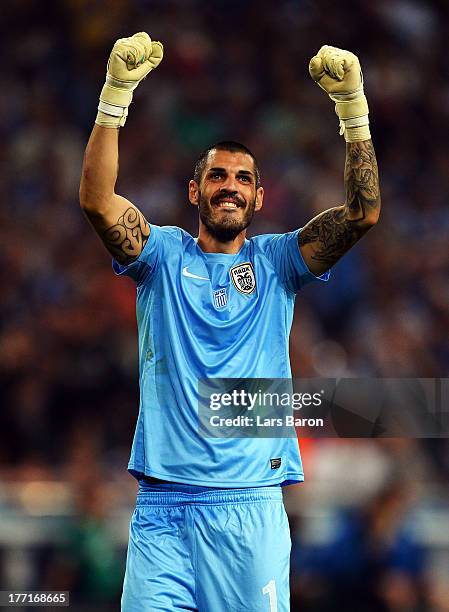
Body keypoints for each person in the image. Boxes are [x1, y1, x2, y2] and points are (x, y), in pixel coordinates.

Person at [79, 32, 380, 612]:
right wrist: (115, 97)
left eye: (243, 180)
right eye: (218, 177)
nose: (230, 188)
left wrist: (354, 114)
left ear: (260, 198)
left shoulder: (278, 262)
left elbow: (363, 213)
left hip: (248, 509)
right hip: (161, 513)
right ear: (195, 190)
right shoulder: (162, 256)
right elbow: (97, 200)